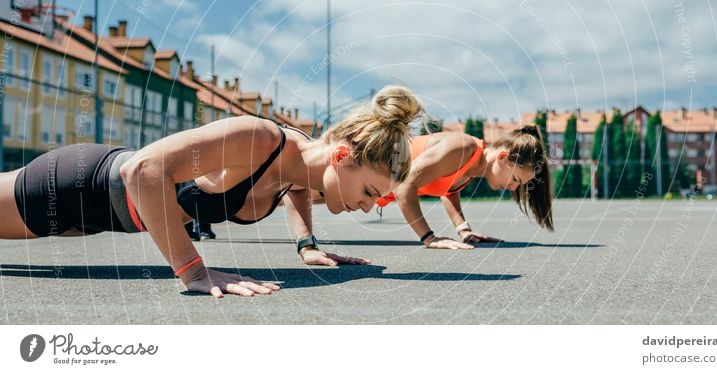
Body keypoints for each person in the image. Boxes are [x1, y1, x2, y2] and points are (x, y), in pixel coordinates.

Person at [0, 85, 421, 297]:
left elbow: (294, 186)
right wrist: (194, 271)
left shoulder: (302, 165)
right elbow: (143, 170)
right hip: (78, 187)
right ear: (343, 155)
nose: (367, 207)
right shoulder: (259, 139)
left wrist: (307, 245)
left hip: (102, 217)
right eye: (368, 191)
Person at [376, 125, 553, 249]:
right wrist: (429, 237)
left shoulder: (473, 166)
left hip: (371, 188)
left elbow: (448, 189)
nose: (514, 188)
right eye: (515, 178)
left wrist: (464, 230)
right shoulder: (463, 148)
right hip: (366, 166)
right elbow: (404, 184)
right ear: (502, 157)